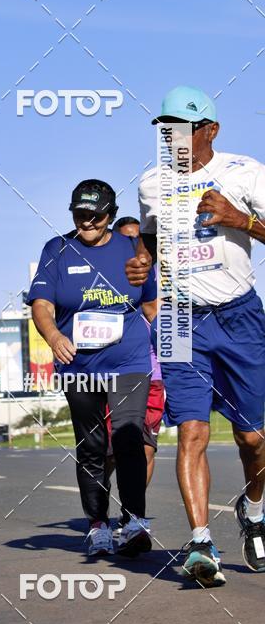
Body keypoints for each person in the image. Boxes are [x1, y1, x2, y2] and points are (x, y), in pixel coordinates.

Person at [126, 86, 265, 586]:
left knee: (253, 438)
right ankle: (201, 542)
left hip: (240, 317)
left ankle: (254, 509)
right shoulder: (150, 185)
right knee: (191, 429)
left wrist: (239, 219)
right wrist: (145, 264)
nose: (173, 138)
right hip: (181, 318)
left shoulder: (243, 172)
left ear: (210, 130)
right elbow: (147, 237)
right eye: (165, 130)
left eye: (182, 128)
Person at [27, 180, 158, 558]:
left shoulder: (132, 249)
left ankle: (134, 523)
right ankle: (97, 524)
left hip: (129, 361)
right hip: (80, 365)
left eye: (94, 215)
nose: (86, 221)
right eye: (79, 214)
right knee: (93, 446)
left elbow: (151, 305)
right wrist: (53, 337)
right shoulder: (57, 250)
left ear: (110, 216)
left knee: (130, 436)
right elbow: (41, 304)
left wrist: (180, 349)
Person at [110, 216, 166, 493]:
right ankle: (100, 513)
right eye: (128, 240)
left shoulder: (166, 277)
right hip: (116, 376)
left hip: (154, 376)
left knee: (147, 449)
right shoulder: (108, 277)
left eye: (139, 239)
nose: (136, 245)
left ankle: (133, 515)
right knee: (110, 451)